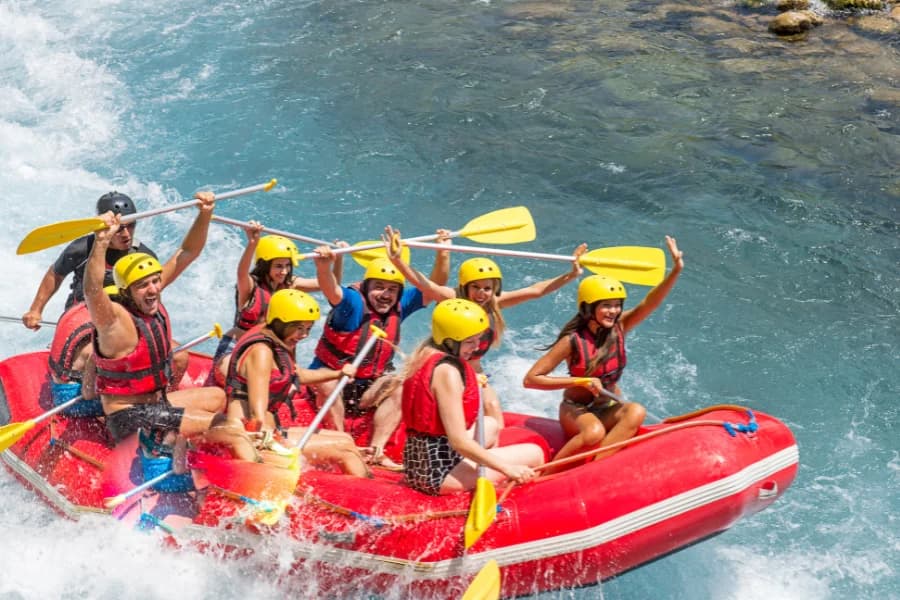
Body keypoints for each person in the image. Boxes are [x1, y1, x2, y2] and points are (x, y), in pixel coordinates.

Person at [84, 191, 256, 463]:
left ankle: (190, 439)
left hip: (157, 404)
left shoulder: (150, 291)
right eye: (143, 285)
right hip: (131, 419)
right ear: (126, 291)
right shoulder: (115, 320)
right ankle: (254, 488)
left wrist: (205, 213)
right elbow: (93, 290)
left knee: (216, 397)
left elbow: (187, 252)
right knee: (230, 429)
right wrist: (102, 241)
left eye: (155, 282)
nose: (153, 289)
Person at [385, 224, 587, 428]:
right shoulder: (452, 297)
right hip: (442, 369)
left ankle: (483, 454)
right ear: (465, 286)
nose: (482, 294)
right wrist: (397, 259)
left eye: (487, 288)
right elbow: (424, 285)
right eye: (476, 287)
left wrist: (571, 274)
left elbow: (536, 290)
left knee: (493, 410)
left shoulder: (495, 303)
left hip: (472, 370)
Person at [523, 235, 684, 473]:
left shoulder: (620, 327)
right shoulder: (572, 341)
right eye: (606, 305)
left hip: (606, 406)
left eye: (617, 305)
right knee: (593, 432)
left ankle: (595, 470)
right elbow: (531, 379)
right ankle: (547, 475)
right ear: (589, 308)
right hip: (575, 411)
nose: (614, 311)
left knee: (636, 410)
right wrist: (581, 380)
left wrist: (675, 270)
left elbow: (650, 303)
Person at [308, 231, 451, 468]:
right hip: (331, 379)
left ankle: (376, 451)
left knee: (404, 383)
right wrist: (324, 268)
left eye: (391, 290)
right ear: (366, 287)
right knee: (328, 383)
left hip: (367, 386)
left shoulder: (399, 305)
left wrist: (443, 253)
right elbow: (331, 290)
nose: (385, 295)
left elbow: (432, 288)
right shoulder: (353, 303)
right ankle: (342, 446)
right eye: (378, 287)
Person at [401, 298, 544, 495]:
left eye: (478, 339)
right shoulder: (447, 372)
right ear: (449, 341)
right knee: (534, 453)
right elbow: (459, 441)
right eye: (469, 342)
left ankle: (488, 485)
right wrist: (507, 468)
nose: (476, 347)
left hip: (420, 462)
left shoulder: (424, 354)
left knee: (490, 424)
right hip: (438, 473)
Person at [224, 288, 369, 476]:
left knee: (346, 439)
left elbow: (296, 374)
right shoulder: (261, 352)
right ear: (280, 323)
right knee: (346, 450)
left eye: (308, 329)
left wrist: (338, 374)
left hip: (271, 431)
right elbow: (256, 415)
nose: (304, 335)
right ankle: (367, 500)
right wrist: (261, 452)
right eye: (299, 328)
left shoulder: (277, 340)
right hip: (253, 435)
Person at [208, 221, 346, 386]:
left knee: (284, 386)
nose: (284, 271)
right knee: (231, 379)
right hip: (237, 345)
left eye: (288, 266)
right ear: (265, 265)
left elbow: (332, 284)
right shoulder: (250, 286)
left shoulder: (290, 284)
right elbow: (241, 272)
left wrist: (337, 259)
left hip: (272, 348)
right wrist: (253, 243)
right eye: (278, 266)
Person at [22, 191, 157, 330]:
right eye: (120, 228)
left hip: (121, 319)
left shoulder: (144, 256)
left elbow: (153, 295)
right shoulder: (80, 250)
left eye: (131, 225)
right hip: (82, 314)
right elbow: (55, 274)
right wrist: (36, 310)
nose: (126, 234)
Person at [47, 285, 119, 418]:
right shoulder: (100, 345)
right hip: (70, 400)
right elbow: (88, 393)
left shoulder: (84, 316)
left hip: (59, 387)